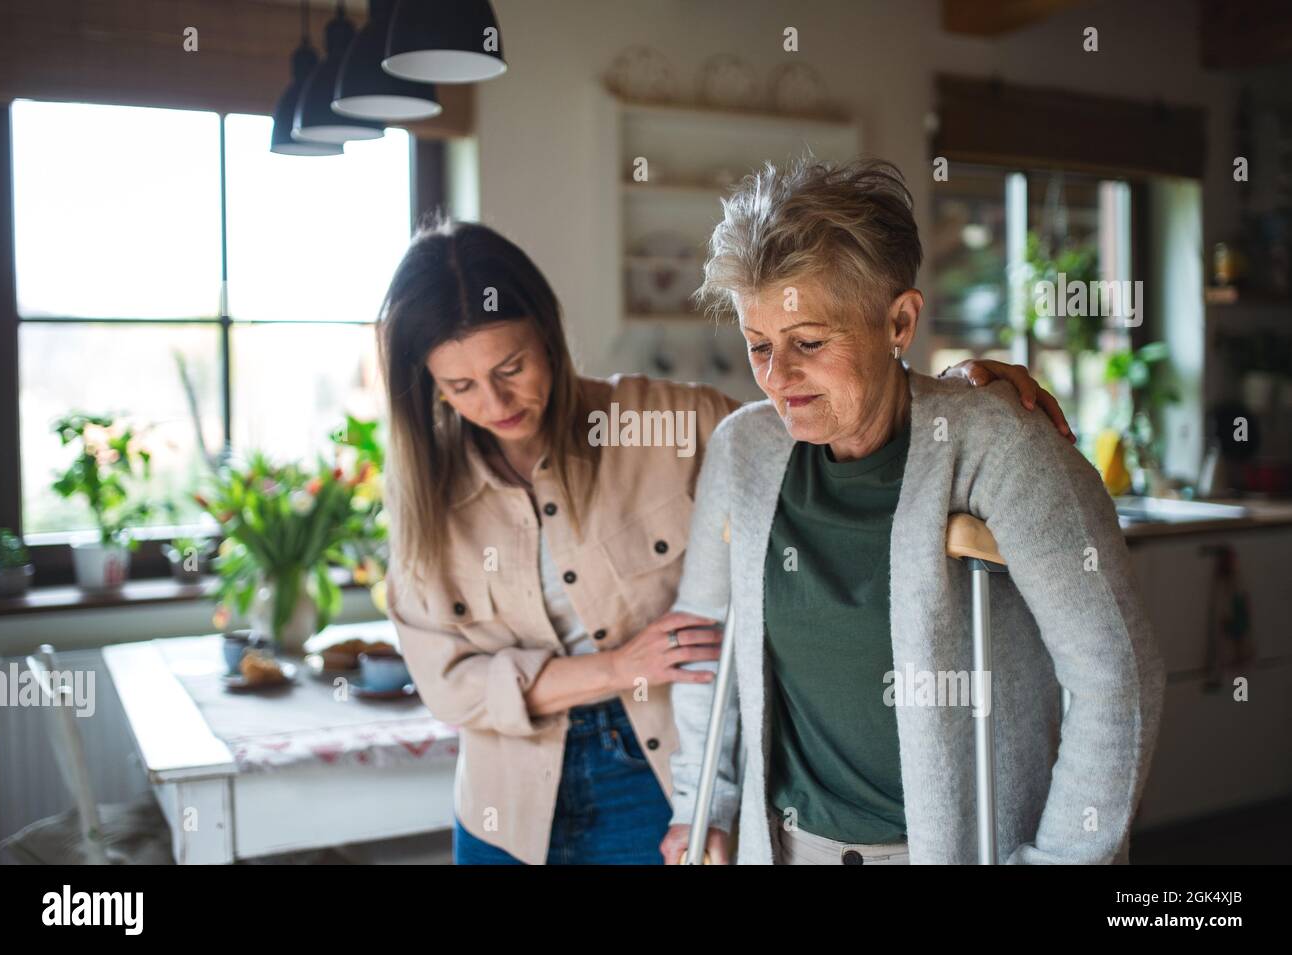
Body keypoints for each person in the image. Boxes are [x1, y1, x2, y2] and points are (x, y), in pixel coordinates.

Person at [377, 215, 1072, 865]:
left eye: (511, 368)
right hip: (507, 801)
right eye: (460, 386)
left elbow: (819, 414)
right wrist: (619, 666)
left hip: (655, 778)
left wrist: (945, 391)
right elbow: (447, 684)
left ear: (549, 336)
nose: (495, 404)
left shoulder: (673, 422)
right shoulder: (423, 497)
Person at [661, 158, 1165, 865]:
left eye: (808, 342)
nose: (778, 377)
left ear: (899, 320)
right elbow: (703, 649)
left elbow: (1115, 669)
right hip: (780, 846)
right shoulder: (743, 449)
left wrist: (1066, 859)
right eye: (758, 346)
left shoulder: (998, 444)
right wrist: (702, 805)